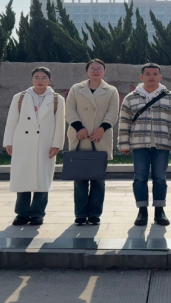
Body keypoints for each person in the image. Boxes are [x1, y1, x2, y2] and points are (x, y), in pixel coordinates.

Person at [118, 63, 171, 226]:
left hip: (162, 144)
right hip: (139, 144)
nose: (151, 77)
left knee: (160, 178)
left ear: (160, 77)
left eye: (155, 74)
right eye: (148, 74)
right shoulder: (130, 98)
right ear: (141, 77)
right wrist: (124, 143)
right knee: (140, 178)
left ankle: (159, 211)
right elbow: (124, 122)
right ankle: (142, 211)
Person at [3, 67, 65, 226]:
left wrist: (57, 144)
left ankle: (38, 213)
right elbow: (12, 120)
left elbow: (60, 124)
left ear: (49, 80)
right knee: (22, 178)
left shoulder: (57, 99)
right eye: (37, 77)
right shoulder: (20, 97)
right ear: (32, 79)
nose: (40, 81)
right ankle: (21, 214)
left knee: (42, 179)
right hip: (23, 143)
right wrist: (9, 142)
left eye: (44, 78)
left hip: (45, 143)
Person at [65, 58, 119, 226]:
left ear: (104, 71)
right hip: (80, 137)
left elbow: (113, 113)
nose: (95, 71)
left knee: (98, 180)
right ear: (87, 71)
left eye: (99, 68)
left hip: (100, 138)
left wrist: (102, 129)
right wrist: (78, 127)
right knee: (79, 180)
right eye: (92, 68)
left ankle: (95, 214)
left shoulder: (111, 90)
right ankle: (80, 214)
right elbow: (69, 109)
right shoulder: (76, 88)